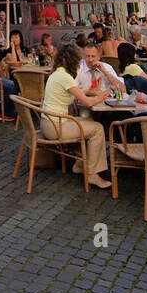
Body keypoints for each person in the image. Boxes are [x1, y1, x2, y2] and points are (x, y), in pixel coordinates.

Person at [40, 44, 112, 188]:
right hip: (55, 127)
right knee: (97, 129)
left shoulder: (58, 73)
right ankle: (92, 174)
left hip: (49, 123)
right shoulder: (65, 77)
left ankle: (80, 163)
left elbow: (77, 93)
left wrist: (90, 89)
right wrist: (102, 95)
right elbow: (88, 103)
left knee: (88, 121)